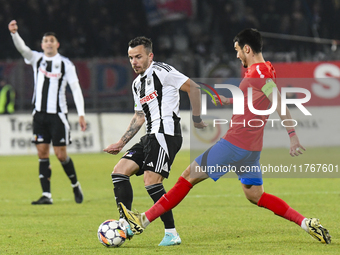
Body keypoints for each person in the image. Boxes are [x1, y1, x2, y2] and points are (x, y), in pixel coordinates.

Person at [118, 29, 331, 244]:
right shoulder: (265, 70)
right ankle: (306, 222)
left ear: (247, 49)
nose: (237, 55)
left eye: (238, 50)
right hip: (251, 149)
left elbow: (278, 102)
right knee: (255, 195)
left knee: (187, 177)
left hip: (234, 144)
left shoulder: (259, 72)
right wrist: (229, 101)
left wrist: (292, 135)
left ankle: (142, 220)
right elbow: (256, 99)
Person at [103, 36, 206, 246]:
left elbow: (193, 88)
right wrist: (121, 143)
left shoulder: (162, 71)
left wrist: (196, 119)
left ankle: (171, 233)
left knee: (151, 181)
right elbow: (139, 116)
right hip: (150, 135)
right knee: (119, 171)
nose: (134, 62)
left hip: (167, 135)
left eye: (138, 57)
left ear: (150, 56)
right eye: (131, 58)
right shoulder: (136, 84)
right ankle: (125, 223)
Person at [8, 20, 87, 205]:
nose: (49, 43)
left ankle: (75, 184)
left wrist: (81, 113)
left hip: (57, 115)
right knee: (42, 152)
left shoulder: (65, 64)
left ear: (57, 44)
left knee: (61, 155)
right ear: (42, 45)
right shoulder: (37, 59)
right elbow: (23, 49)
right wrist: (14, 34)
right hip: (39, 115)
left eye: (52, 40)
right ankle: (47, 195)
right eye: (46, 41)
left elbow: (75, 89)